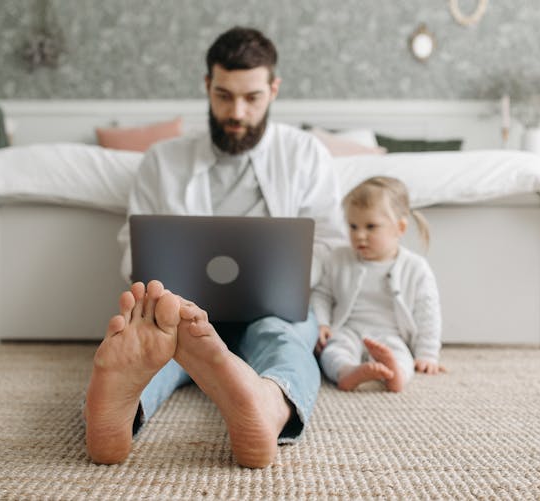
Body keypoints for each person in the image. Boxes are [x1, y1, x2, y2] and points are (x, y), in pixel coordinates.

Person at [84, 27, 345, 468]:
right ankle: (121, 412)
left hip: (274, 308)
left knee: (280, 337)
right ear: (207, 85)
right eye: (224, 96)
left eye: (252, 98)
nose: (236, 112)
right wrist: (162, 293)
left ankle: (267, 405)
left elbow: (331, 244)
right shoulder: (161, 161)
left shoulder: (306, 155)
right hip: (182, 310)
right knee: (159, 344)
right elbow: (134, 251)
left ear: (273, 90)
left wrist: (285, 276)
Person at [312, 176, 445, 393]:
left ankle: (396, 375)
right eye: (353, 226)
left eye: (370, 227)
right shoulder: (338, 258)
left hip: (390, 334)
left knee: (400, 356)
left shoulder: (415, 268)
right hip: (348, 329)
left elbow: (428, 313)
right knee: (333, 352)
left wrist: (428, 354)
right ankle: (347, 372)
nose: (359, 235)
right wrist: (322, 323)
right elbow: (322, 294)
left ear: (399, 228)